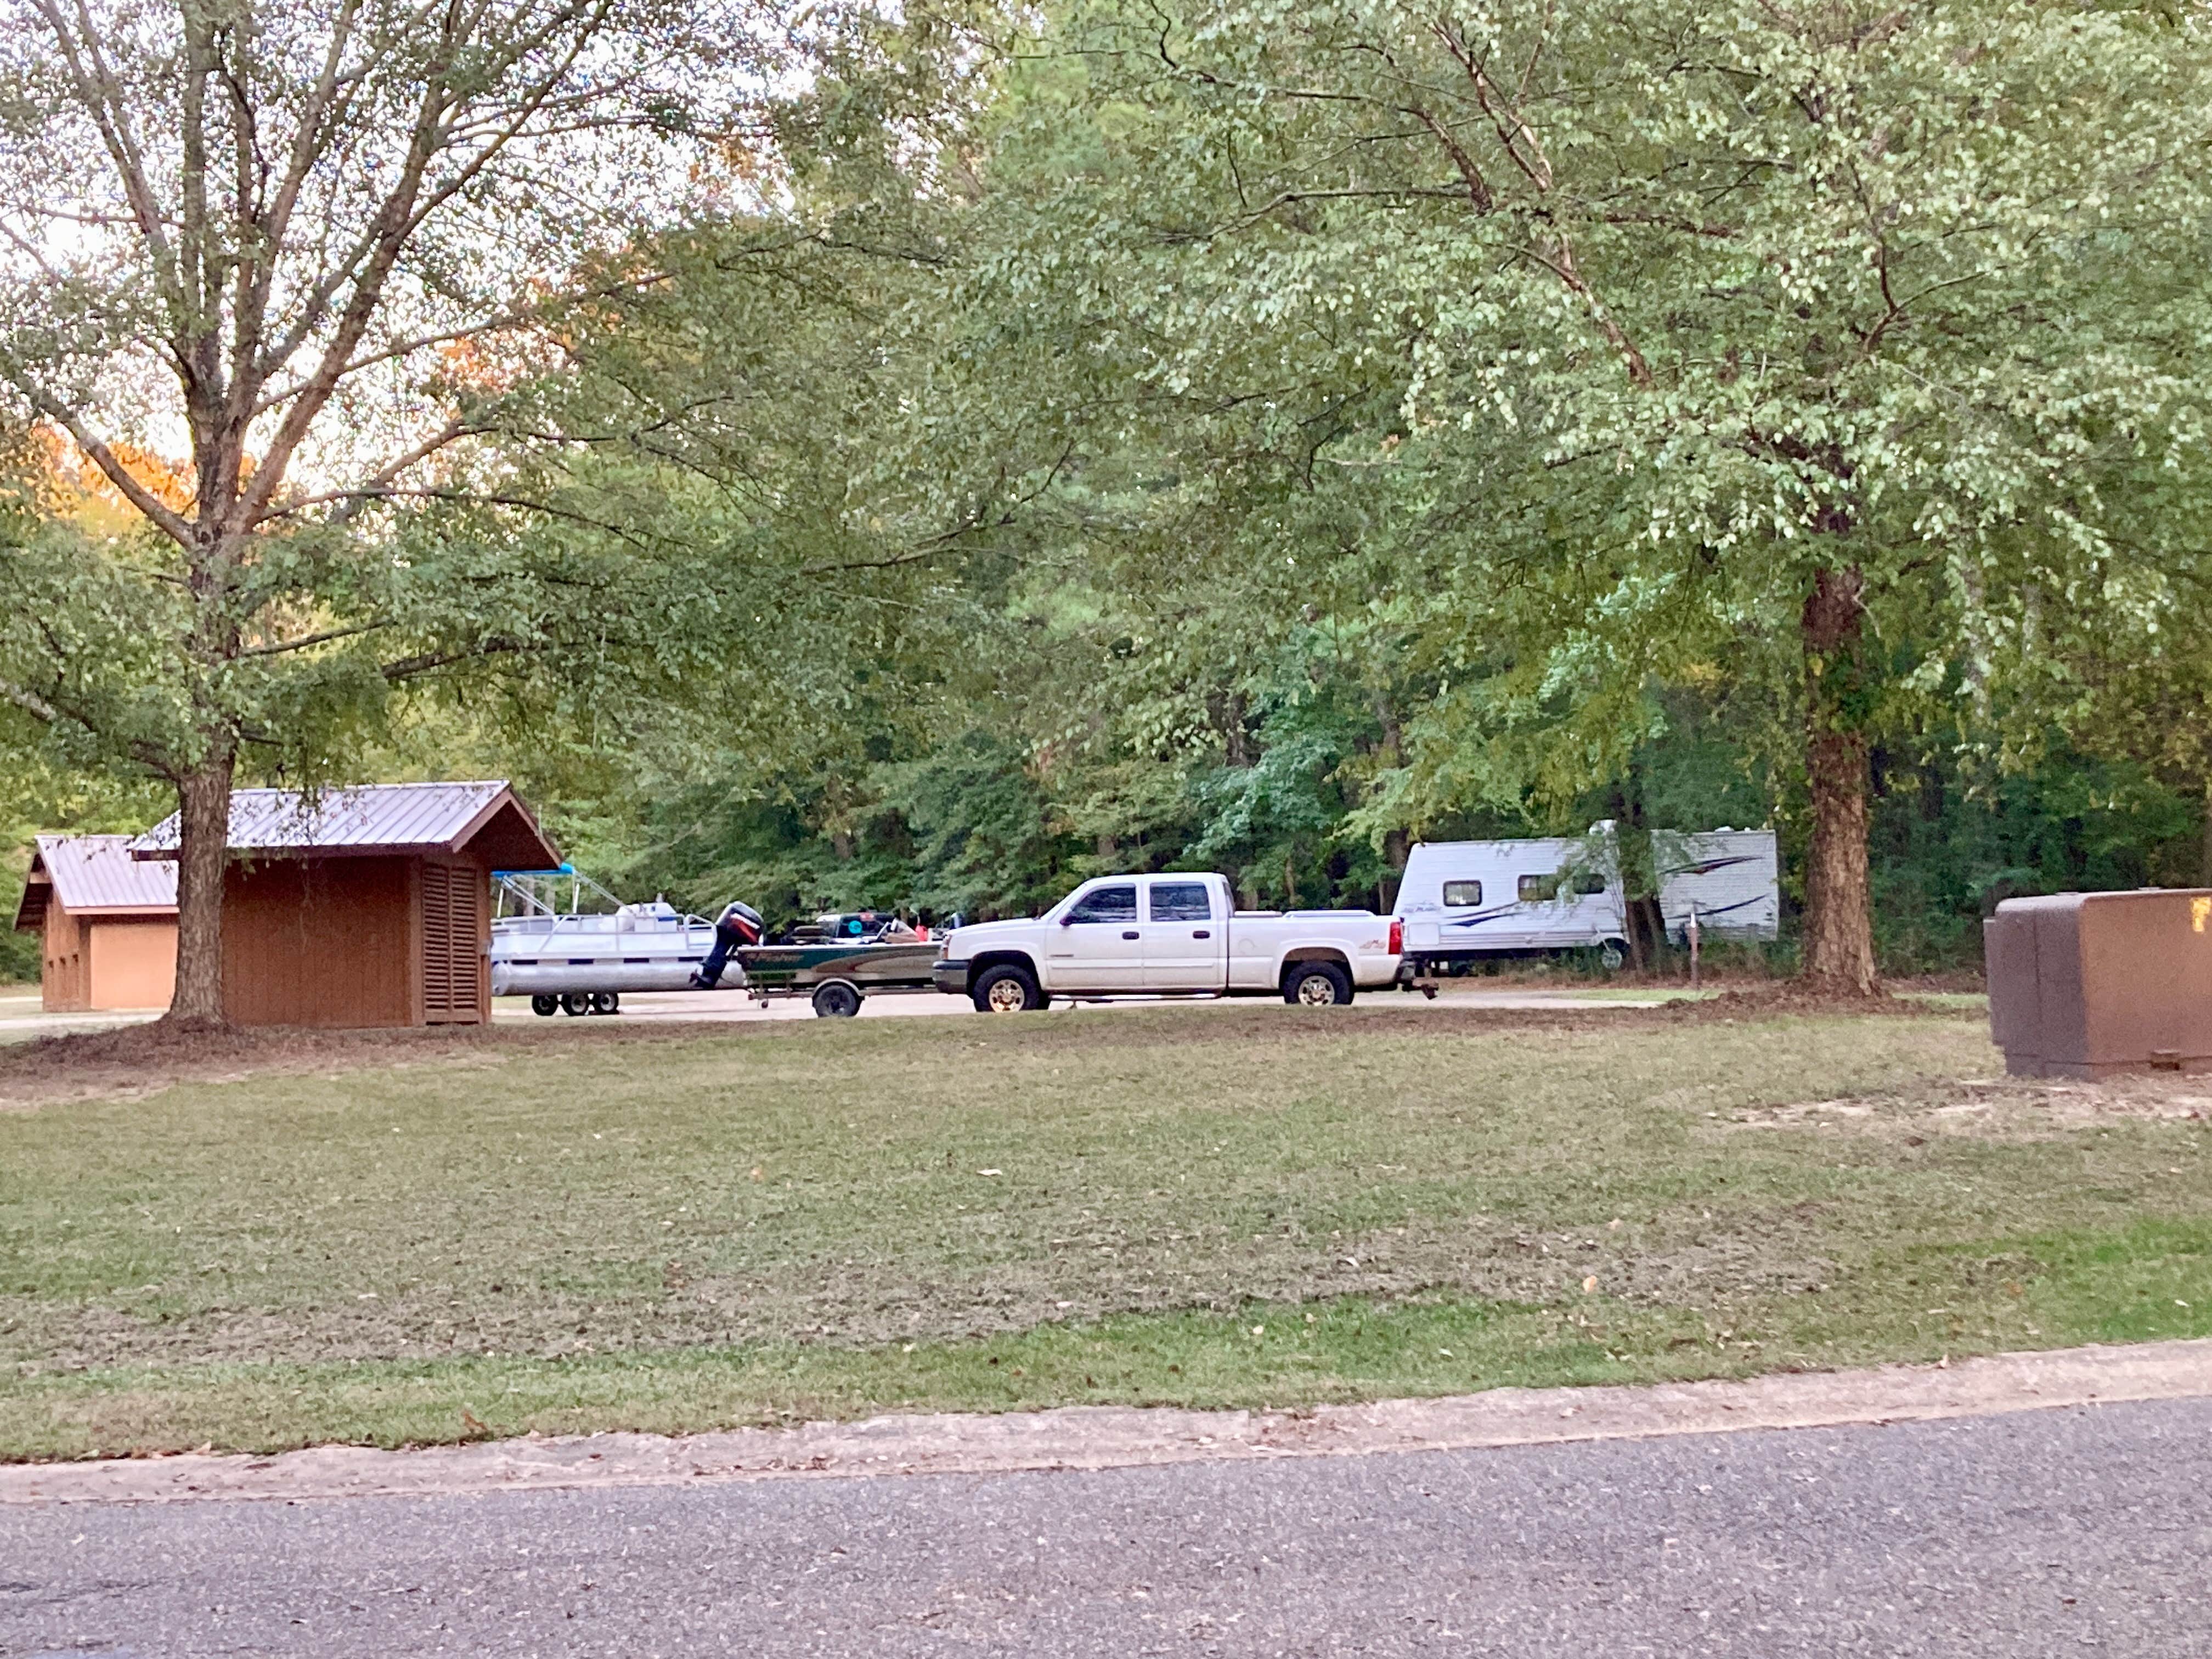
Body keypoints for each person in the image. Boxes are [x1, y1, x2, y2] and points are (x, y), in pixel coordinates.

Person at [690, 899, 765, 988]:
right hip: (728, 932)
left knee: (721, 948)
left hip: (726, 931)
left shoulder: (729, 927)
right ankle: (710, 974)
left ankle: (710, 974)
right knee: (722, 948)